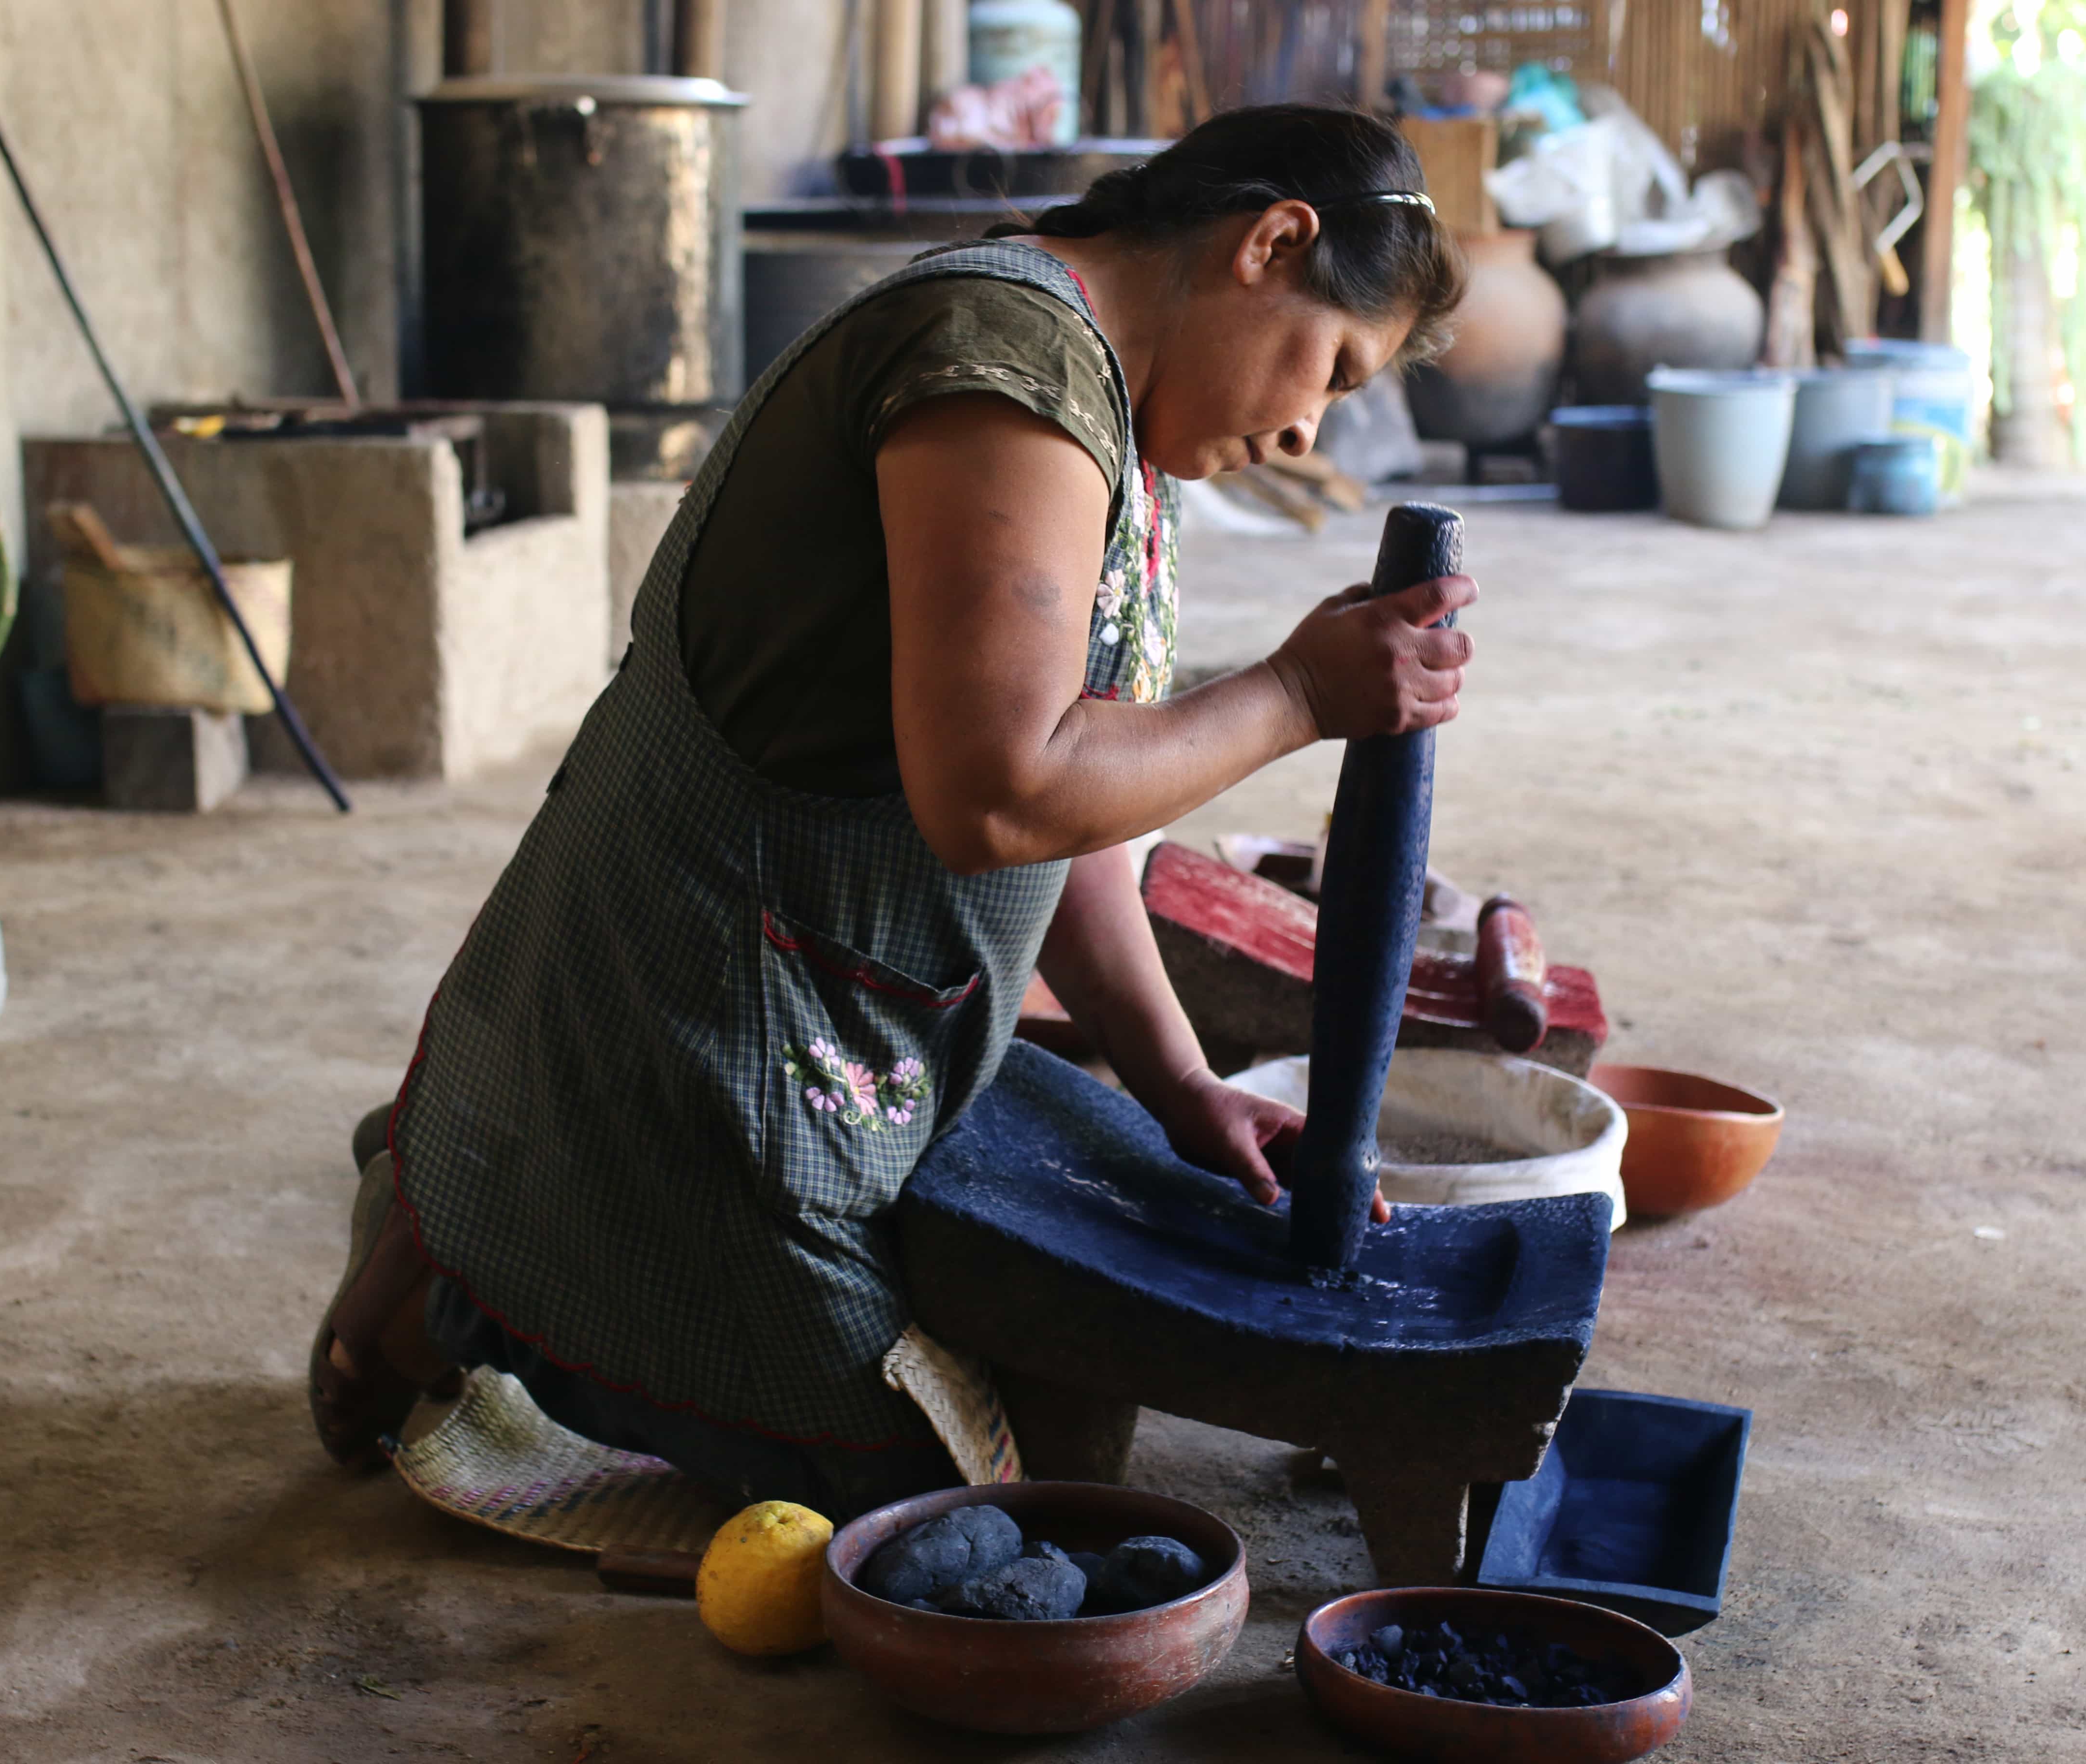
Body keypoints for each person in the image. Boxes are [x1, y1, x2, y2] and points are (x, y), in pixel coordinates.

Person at [311, 103, 1476, 1517]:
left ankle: (482, 1179)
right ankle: (455, 1261)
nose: (1303, 430)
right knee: (918, 1489)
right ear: (1271, 243)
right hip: (700, 1014)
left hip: (857, 994)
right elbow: (1005, 794)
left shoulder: (1111, 399)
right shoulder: (1006, 370)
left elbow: (1074, 817)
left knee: (1051, 1332)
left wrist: (1186, 1093)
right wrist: (1294, 694)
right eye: (1332, 369)